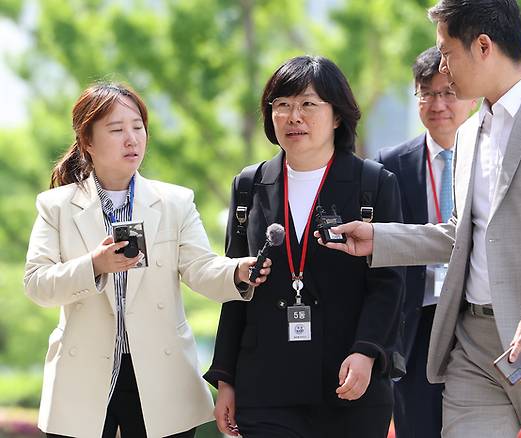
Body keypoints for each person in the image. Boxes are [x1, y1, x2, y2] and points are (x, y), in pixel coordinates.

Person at [318, 1, 521, 436]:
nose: (442, 66)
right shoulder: (471, 133)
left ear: (483, 46)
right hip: (474, 346)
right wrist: (380, 238)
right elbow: (462, 233)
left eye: (447, 52)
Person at [24, 82, 271, 438]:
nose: (132, 139)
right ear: (87, 141)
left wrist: (238, 270)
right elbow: (36, 283)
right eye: (116, 129)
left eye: (138, 127)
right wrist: (94, 266)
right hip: (83, 377)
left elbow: (200, 268)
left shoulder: (175, 202)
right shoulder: (56, 207)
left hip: (160, 372)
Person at [203, 55, 404, 438]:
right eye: (282, 105)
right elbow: (235, 288)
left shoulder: (374, 184)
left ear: (338, 116)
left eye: (308, 104)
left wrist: (367, 351)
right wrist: (226, 378)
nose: (294, 116)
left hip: (349, 381)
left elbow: (390, 282)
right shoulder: (249, 185)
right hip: (266, 384)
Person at [375, 46, 476, 438]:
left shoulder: (490, 157)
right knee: (416, 423)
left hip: (473, 316)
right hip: (416, 320)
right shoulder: (391, 164)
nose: (438, 103)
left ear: (469, 97)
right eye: (427, 92)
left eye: (449, 92)